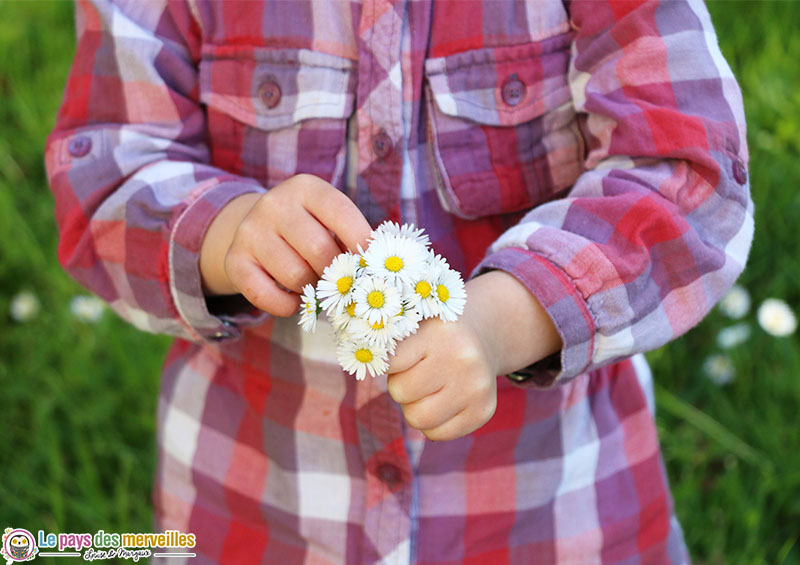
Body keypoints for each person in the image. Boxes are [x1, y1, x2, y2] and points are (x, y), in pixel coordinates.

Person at [46, 0, 752, 562]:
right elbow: (104, 169)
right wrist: (229, 235)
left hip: (546, 512)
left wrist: (500, 321)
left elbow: (686, 171)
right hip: (258, 510)